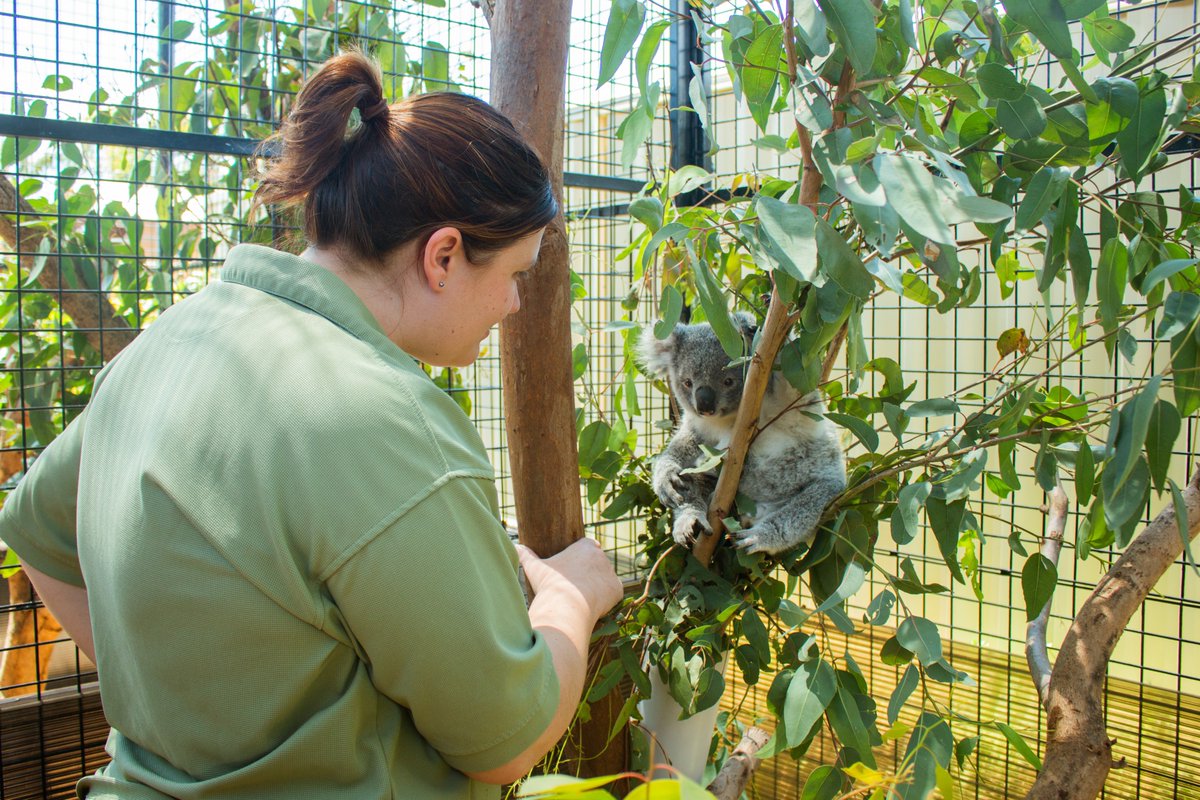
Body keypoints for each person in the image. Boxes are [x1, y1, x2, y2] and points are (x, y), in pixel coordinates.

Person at [0, 50, 623, 799]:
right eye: (514, 275)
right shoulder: (387, 421)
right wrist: (571, 600)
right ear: (445, 255)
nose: (514, 307)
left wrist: (186, 703)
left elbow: (35, 530)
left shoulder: (171, 342)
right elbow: (505, 741)